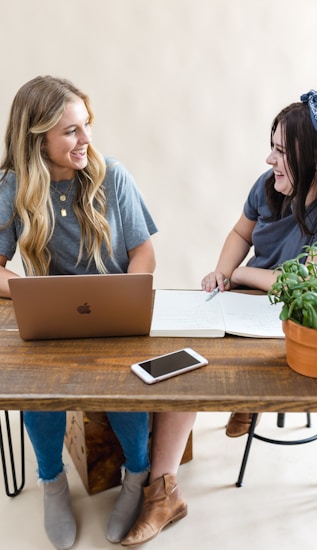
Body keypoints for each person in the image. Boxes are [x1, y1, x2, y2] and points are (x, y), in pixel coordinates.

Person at [0, 75, 194, 549]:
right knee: (34, 387)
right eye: (70, 131)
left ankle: (137, 477)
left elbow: (144, 252)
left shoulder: (113, 175)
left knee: (126, 383)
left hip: (115, 312)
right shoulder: (13, 186)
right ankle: (52, 483)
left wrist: (128, 291)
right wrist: (25, 292)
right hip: (53, 321)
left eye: (86, 126)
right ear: (37, 138)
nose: (86, 139)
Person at [202, 89, 317, 438]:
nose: (268, 159)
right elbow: (239, 234)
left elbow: (310, 287)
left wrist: (242, 272)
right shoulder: (268, 187)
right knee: (196, 345)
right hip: (250, 299)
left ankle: (251, 397)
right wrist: (222, 271)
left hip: (300, 320)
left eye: (280, 151)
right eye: (272, 146)